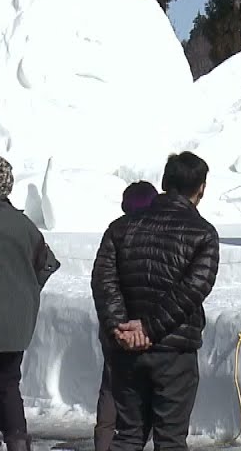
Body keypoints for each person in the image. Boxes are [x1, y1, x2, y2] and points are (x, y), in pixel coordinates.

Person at [91, 152, 220, 451]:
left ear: (164, 183)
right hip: (174, 351)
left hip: (126, 349)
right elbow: (194, 289)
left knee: (129, 436)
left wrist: (120, 327)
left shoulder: (121, 228)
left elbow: (104, 282)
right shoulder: (203, 234)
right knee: (171, 440)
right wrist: (148, 328)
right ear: (201, 188)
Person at [0, 155, 60, 451]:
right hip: (18, 318)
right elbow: (47, 263)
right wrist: (30, 289)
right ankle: (18, 441)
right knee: (10, 383)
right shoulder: (24, 224)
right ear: (8, 185)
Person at [95, 180, 158, 451]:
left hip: (116, 326)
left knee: (110, 390)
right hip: (151, 329)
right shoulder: (159, 233)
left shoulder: (115, 232)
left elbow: (103, 281)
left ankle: (105, 444)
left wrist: (117, 323)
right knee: (153, 394)